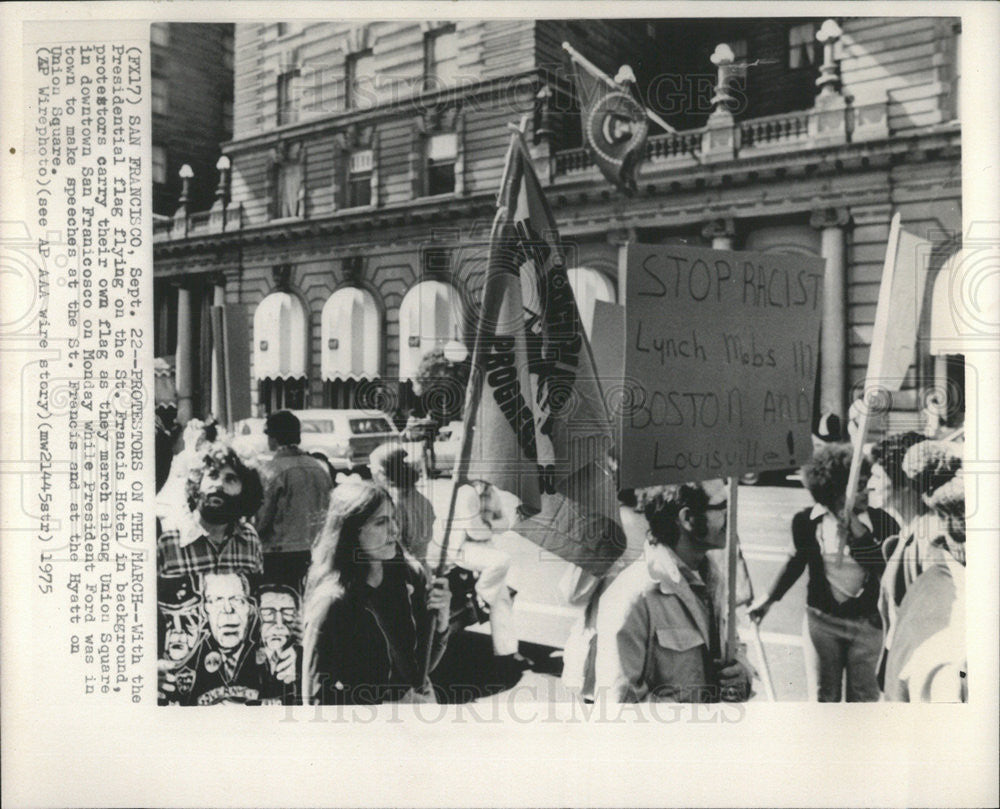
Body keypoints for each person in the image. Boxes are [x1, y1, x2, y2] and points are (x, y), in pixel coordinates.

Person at [750, 444, 896, 702]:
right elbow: (795, 564)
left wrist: (859, 534)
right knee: (822, 697)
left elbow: (887, 572)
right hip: (822, 623)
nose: (868, 491)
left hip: (868, 625)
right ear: (836, 491)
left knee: (863, 699)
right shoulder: (806, 522)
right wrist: (768, 599)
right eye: (859, 486)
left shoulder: (883, 522)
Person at [594, 480, 754, 703]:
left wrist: (741, 674)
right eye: (722, 507)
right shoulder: (633, 596)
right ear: (687, 518)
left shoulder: (714, 578)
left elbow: (734, 647)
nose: (732, 515)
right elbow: (619, 705)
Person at [302, 480, 451, 705]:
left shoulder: (409, 576)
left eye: (393, 518)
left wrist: (441, 625)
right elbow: (316, 699)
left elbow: (419, 669)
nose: (394, 530)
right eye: (380, 522)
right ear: (352, 531)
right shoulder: (332, 602)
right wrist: (391, 709)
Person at [428, 479, 529, 678]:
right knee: (501, 561)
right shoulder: (465, 491)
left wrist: (487, 522)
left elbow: (504, 524)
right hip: (456, 550)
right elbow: (475, 530)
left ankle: (507, 651)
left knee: (501, 597)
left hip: (480, 548)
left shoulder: (490, 489)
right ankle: (483, 595)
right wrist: (489, 522)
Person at [883, 473, 966, 702]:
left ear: (906, 487)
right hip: (907, 665)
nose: (871, 484)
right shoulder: (908, 531)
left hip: (919, 670)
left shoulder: (929, 538)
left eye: (877, 476)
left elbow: (933, 616)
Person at [159, 571, 298, 705]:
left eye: (236, 599)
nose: (228, 609)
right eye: (216, 600)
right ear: (204, 610)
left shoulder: (270, 649)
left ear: (249, 608)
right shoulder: (190, 654)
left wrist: (301, 666)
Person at [157, 443, 264, 580]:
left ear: (246, 490)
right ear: (197, 482)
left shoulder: (249, 540)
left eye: (230, 479)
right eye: (213, 475)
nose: (219, 484)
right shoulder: (169, 541)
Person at [255, 410, 333, 593]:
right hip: (317, 549)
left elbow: (262, 519)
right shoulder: (318, 467)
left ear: (273, 438)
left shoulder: (271, 471)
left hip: (281, 553)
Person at [370, 443, 435, 567]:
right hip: (422, 567)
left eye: (372, 468)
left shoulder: (391, 506)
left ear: (381, 473)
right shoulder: (422, 500)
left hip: (405, 572)